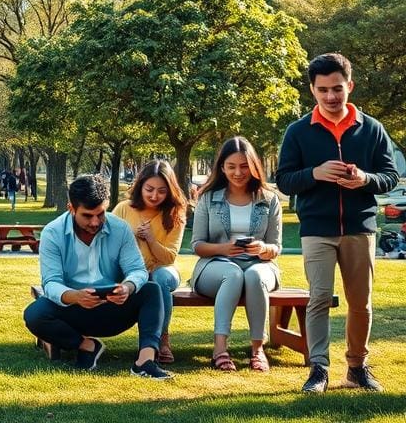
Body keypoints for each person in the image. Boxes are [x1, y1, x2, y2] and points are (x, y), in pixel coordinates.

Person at [276, 52, 399, 393]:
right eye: (323, 90)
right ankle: (318, 369)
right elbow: (284, 180)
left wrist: (365, 179)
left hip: (360, 228)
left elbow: (390, 176)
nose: (331, 96)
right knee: (319, 298)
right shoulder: (298, 131)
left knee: (361, 303)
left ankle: (357, 367)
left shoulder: (372, 129)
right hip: (317, 229)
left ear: (350, 86)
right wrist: (314, 173)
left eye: (337, 89)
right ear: (312, 90)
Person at [23, 175, 173, 380]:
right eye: (87, 216)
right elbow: (51, 282)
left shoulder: (120, 228)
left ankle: (145, 362)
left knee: (151, 289)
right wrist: (75, 296)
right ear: (71, 208)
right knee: (34, 313)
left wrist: (127, 287)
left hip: (114, 308)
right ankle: (88, 346)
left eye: (100, 214)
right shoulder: (53, 233)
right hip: (73, 310)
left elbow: (138, 270)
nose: (95, 222)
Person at [190, 136, 282, 373]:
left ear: (253, 166)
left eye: (244, 166)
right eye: (231, 167)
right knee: (233, 273)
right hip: (215, 265)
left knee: (253, 275)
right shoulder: (208, 197)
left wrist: (262, 248)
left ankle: (258, 350)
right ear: (222, 167)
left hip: (258, 264)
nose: (238, 173)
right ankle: (220, 349)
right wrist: (223, 248)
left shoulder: (269, 199)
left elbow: (276, 247)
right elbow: (197, 245)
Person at [112, 159, 187, 363]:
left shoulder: (175, 213)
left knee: (159, 279)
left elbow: (169, 257)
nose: (154, 196)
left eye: (162, 191)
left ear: (170, 190)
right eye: (149, 189)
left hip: (164, 270)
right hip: (131, 272)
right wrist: (131, 237)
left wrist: (151, 239)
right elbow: (108, 243)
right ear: (140, 186)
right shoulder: (124, 208)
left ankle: (161, 339)